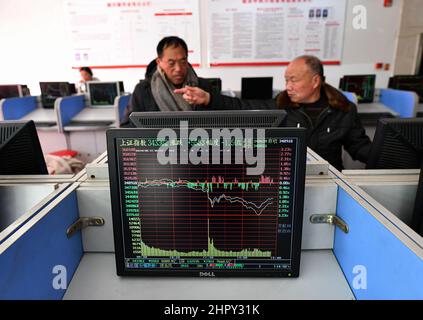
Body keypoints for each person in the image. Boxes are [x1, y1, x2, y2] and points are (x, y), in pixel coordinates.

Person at [277, 55, 372, 170]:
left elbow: (359, 145)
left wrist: (386, 157)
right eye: (286, 80)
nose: (288, 87)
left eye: (293, 80)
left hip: (330, 177)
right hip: (291, 176)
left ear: (315, 81)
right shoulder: (279, 108)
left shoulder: (343, 109)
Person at [121, 36, 241, 126]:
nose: (178, 69)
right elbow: (127, 127)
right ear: (159, 62)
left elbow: (221, 123)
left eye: (183, 61)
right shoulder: (143, 90)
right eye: (171, 63)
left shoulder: (203, 86)